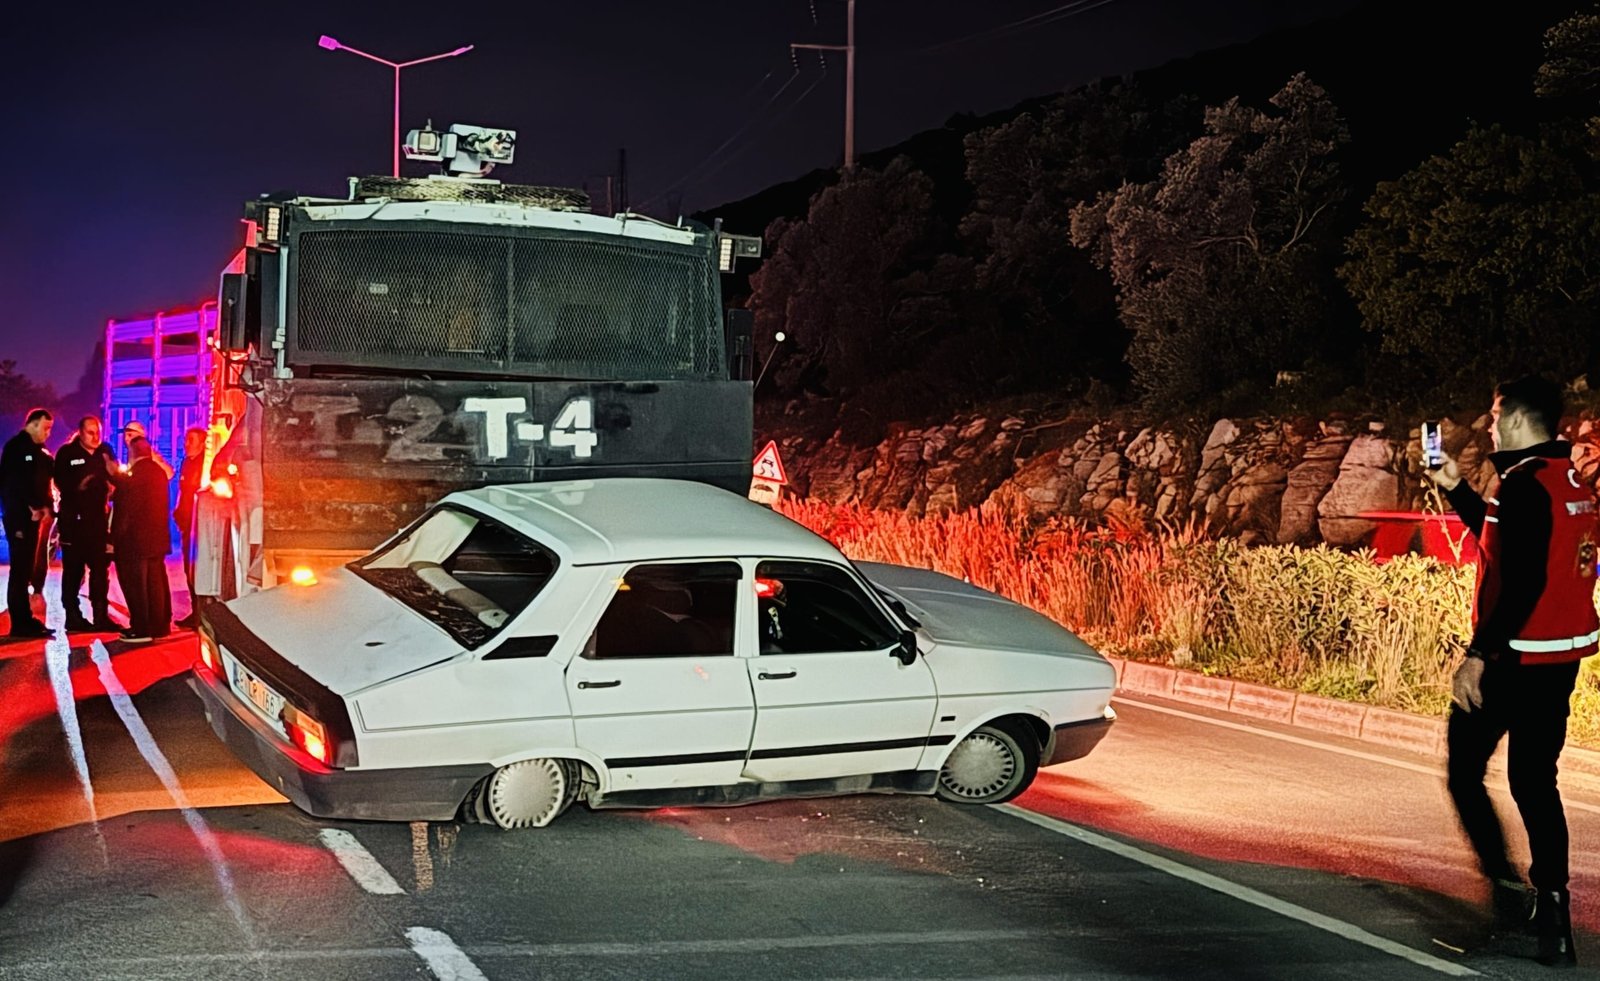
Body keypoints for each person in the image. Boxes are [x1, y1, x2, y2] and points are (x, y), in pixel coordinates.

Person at [1426, 375, 1599, 967]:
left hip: (1514, 658)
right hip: (1559, 660)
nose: (1491, 425)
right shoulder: (1566, 479)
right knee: (1534, 782)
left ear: (1520, 419)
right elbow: (1509, 545)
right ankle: (1553, 921)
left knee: (1464, 773)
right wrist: (1456, 488)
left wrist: (1477, 655)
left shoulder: (1524, 484)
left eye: (1497, 414)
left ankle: (1506, 898)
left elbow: (1521, 580)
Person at [54, 416, 123, 633]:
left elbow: (116, 477)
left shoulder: (105, 450)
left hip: (97, 522)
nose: (95, 437)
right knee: (73, 571)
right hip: (74, 522)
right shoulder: (67, 453)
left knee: (100, 571)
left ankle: (101, 616)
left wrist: (113, 477)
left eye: (97, 432)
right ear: (80, 432)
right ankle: (73, 616)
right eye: (90, 432)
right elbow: (60, 481)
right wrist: (79, 485)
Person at [107, 436, 172, 643]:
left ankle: (141, 628)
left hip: (135, 541)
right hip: (157, 540)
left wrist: (113, 539)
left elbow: (126, 509)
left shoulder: (136, 475)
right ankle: (159, 626)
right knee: (155, 585)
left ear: (131, 453)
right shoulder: (158, 472)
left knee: (135, 586)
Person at [0, 409, 55, 638]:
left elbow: (43, 482)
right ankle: (20, 622)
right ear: (32, 425)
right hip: (19, 518)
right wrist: (31, 506)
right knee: (20, 569)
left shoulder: (39, 451)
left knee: (25, 569)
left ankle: (25, 618)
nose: (48, 433)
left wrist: (47, 506)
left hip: (33, 518)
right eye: (45, 428)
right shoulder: (16, 448)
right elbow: (13, 485)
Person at [173, 427, 206, 629]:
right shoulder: (187, 463)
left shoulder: (205, 464)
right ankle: (195, 612)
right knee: (188, 570)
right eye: (186, 440)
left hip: (200, 526)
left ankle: (201, 614)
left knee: (198, 570)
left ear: (202, 444)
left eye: (191, 440)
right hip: (188, 525)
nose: (186, 444)